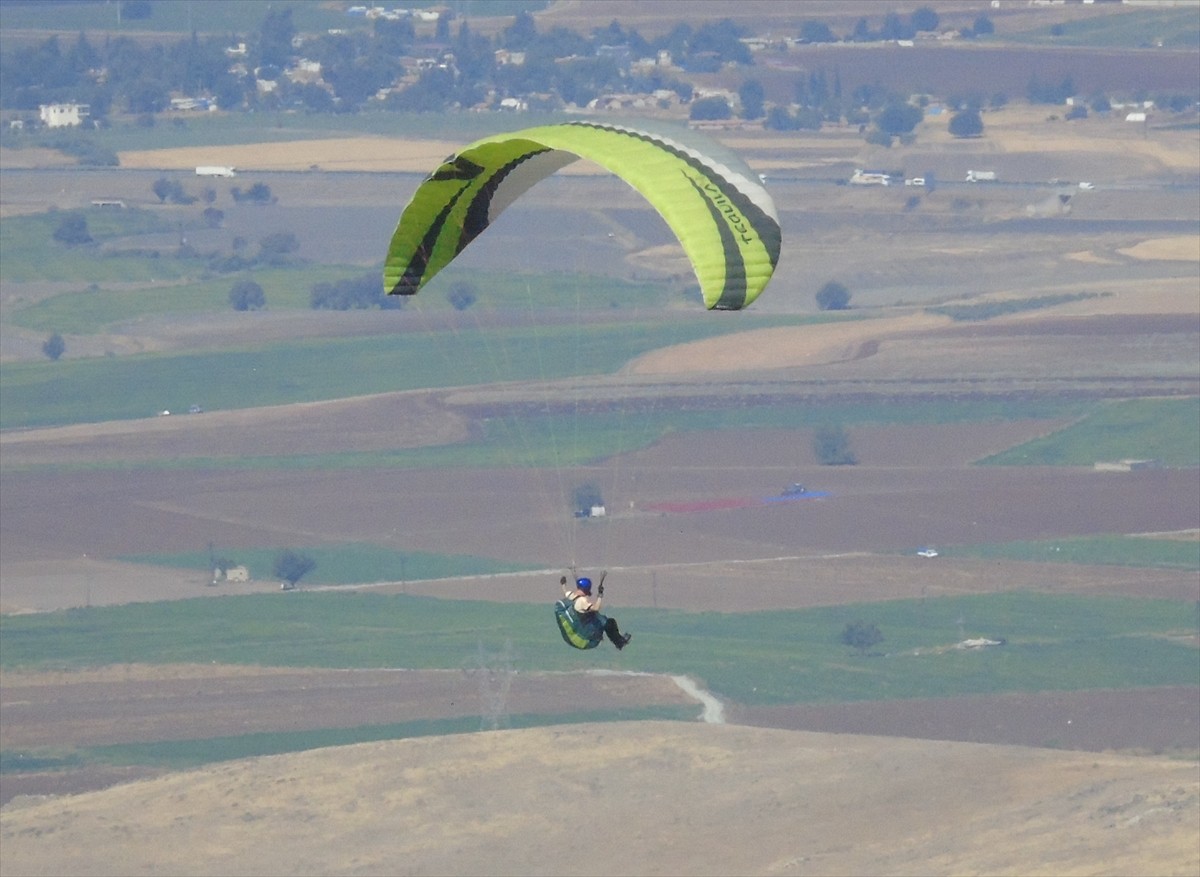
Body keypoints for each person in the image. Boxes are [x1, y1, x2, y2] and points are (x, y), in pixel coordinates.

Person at [560, 571, 631, 650]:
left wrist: (563, 584)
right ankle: (619, 642)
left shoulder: (571, 595)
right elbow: (596, 607)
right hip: (587, 624)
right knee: (610, 623)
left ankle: (619, 641)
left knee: (603, 619)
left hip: (581, 621)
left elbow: (565, 592)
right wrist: (600, 595)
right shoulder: (582, 601)